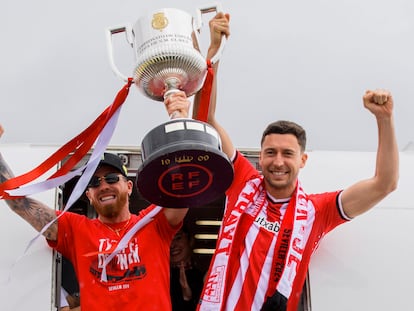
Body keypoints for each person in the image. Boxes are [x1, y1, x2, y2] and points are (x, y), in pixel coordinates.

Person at [193, 13, 399, 311]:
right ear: (260, 157)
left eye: (287, 154)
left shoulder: (317, 211)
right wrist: (214, 54)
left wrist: (385, 119)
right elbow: (205, 120)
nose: (278, 162)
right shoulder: (243, 181)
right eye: (270, 152)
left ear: (302, 160)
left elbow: (385, 184)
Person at [0, 92, 191, 310]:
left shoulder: (154, 224)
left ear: (129, 187)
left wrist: (180, 116)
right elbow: (20, 204)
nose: (104, 185)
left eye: (111, 178)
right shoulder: (76, 230)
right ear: (88, 194)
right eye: (94, 182)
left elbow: (185, 182)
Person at [170, 225, 205, 311]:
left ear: (191, 241)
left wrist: (187, 297)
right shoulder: (159, 278)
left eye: (178, 238)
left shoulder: (202, 278)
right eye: (168, 240)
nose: (172, 245)